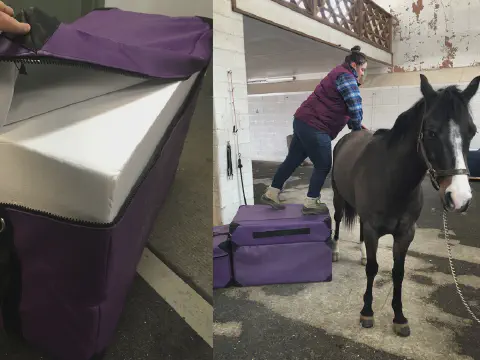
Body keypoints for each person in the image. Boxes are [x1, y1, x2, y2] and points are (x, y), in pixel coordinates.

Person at [260, 45, 367, 215]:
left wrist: (355, 124)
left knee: (292, 160)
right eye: (362, 69)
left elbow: (340, 105)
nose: (362, 73)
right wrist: (356, 129)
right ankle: (311, 202)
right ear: (354, 65)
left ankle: (271, 193)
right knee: (323, 164)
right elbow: (355, 105)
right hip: (316, 127)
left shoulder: (338, 73)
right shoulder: (347, 78)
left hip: (303, 121)